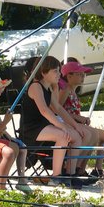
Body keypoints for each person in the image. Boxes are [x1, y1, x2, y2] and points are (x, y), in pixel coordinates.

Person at [20, 56, 84, 188]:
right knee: (63, 135)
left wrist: (75, 125)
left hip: (44, 127)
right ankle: (56, 176)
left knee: (76, 136)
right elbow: (44, 111)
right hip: (31, 130)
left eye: (59, 71)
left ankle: (70, 174)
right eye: (55, 71)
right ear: (43, 72)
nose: (59, 74)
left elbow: (58, 108)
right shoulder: (35, 87)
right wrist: (61, 126)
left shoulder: (48, 88)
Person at [58, 59, 104, 183]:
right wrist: (78, 118)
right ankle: (76, 169)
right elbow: (58, 109)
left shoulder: (72, 91)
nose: (83, 77)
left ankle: (85, 169)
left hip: (75, 123)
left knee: (98, 135)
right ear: (69, 76)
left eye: (84, 74)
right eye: (79, 74)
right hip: (67, 124)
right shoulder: (65, 89)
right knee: (92, 134)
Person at [0, 71, 32, 191]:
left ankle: (22, 178)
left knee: (22, 147)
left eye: (1, 90)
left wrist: (9, 136)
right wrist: (5, 125)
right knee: (12, 149)